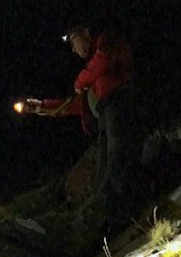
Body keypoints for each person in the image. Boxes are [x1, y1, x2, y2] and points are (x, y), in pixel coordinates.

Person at [25, 19, 141, 225]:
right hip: (107, 111)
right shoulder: (94, 79)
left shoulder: (106, 43)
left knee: (116, 156)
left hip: (119, 103)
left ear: (86, 33)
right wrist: (41, 107)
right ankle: (111, 214)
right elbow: (74, 105)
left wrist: (80, 82)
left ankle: (126, 212)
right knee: (104, 163)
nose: (73, 48)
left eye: (73, 41)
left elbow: (102, 63)